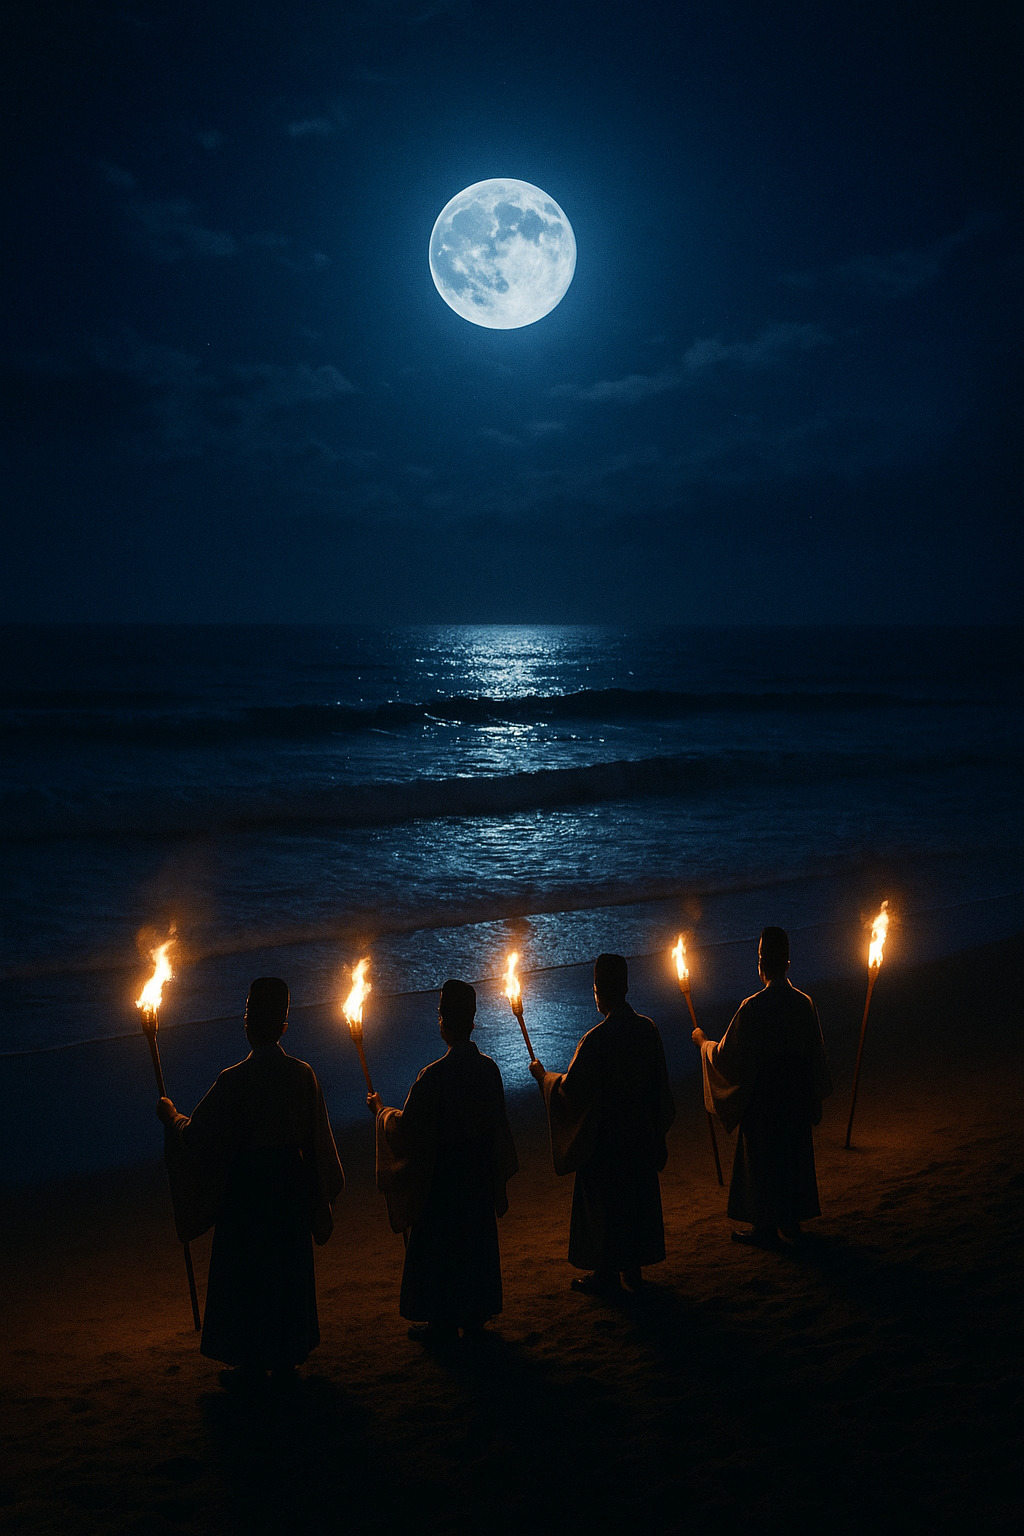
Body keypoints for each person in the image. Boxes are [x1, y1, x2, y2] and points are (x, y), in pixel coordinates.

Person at [157, 976, 344, 1389]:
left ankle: (253, 1361)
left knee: (248, 1274)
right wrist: (317, 1192)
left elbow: (197, 1137)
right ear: (284, 1026)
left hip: (248, 1194)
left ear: (247, 1022)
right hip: (289, 1190)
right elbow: (319, 1143)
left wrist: (170, 1116)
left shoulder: (233, 1080)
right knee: (285, 1271)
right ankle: (287, 1356)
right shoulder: (302, 1074)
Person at [368, 979, 518, 1346]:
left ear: (442, 1022)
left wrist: (381, 1112)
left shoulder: (433, 1076)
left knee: (442, 1247)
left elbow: (409, 1132)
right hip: (477, 1174)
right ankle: (475, 1313)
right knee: (474, 1243)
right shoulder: (488, 1069)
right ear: (472, 1021)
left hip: (445, 1180)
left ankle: (442, 1322)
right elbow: (499, 1127)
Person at [529, 954, 675, 1296]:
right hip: (639, 1135)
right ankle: (633, 1269)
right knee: (634, 1198)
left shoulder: (595, 1040)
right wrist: (656, 1128)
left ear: (598, 991)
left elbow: (571, 1092)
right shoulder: (647, 1028)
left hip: (607, 1142)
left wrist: (544, 1078)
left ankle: (606, 1273)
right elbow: (660, 1088)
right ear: (625, 988)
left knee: (607, 1204)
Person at [692, 926, 832, 1248]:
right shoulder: (804, 1003)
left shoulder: (752, 1007)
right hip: (794, 1099)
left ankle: (765, 1227)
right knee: (791, 1156)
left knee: (764, 1160)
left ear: (761, 964)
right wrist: (813, 1096)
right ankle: (791, 1221)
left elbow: (727, 1057)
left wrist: (703, 1044)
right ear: (788, 963)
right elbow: (816, 1054)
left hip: (765, 1103)